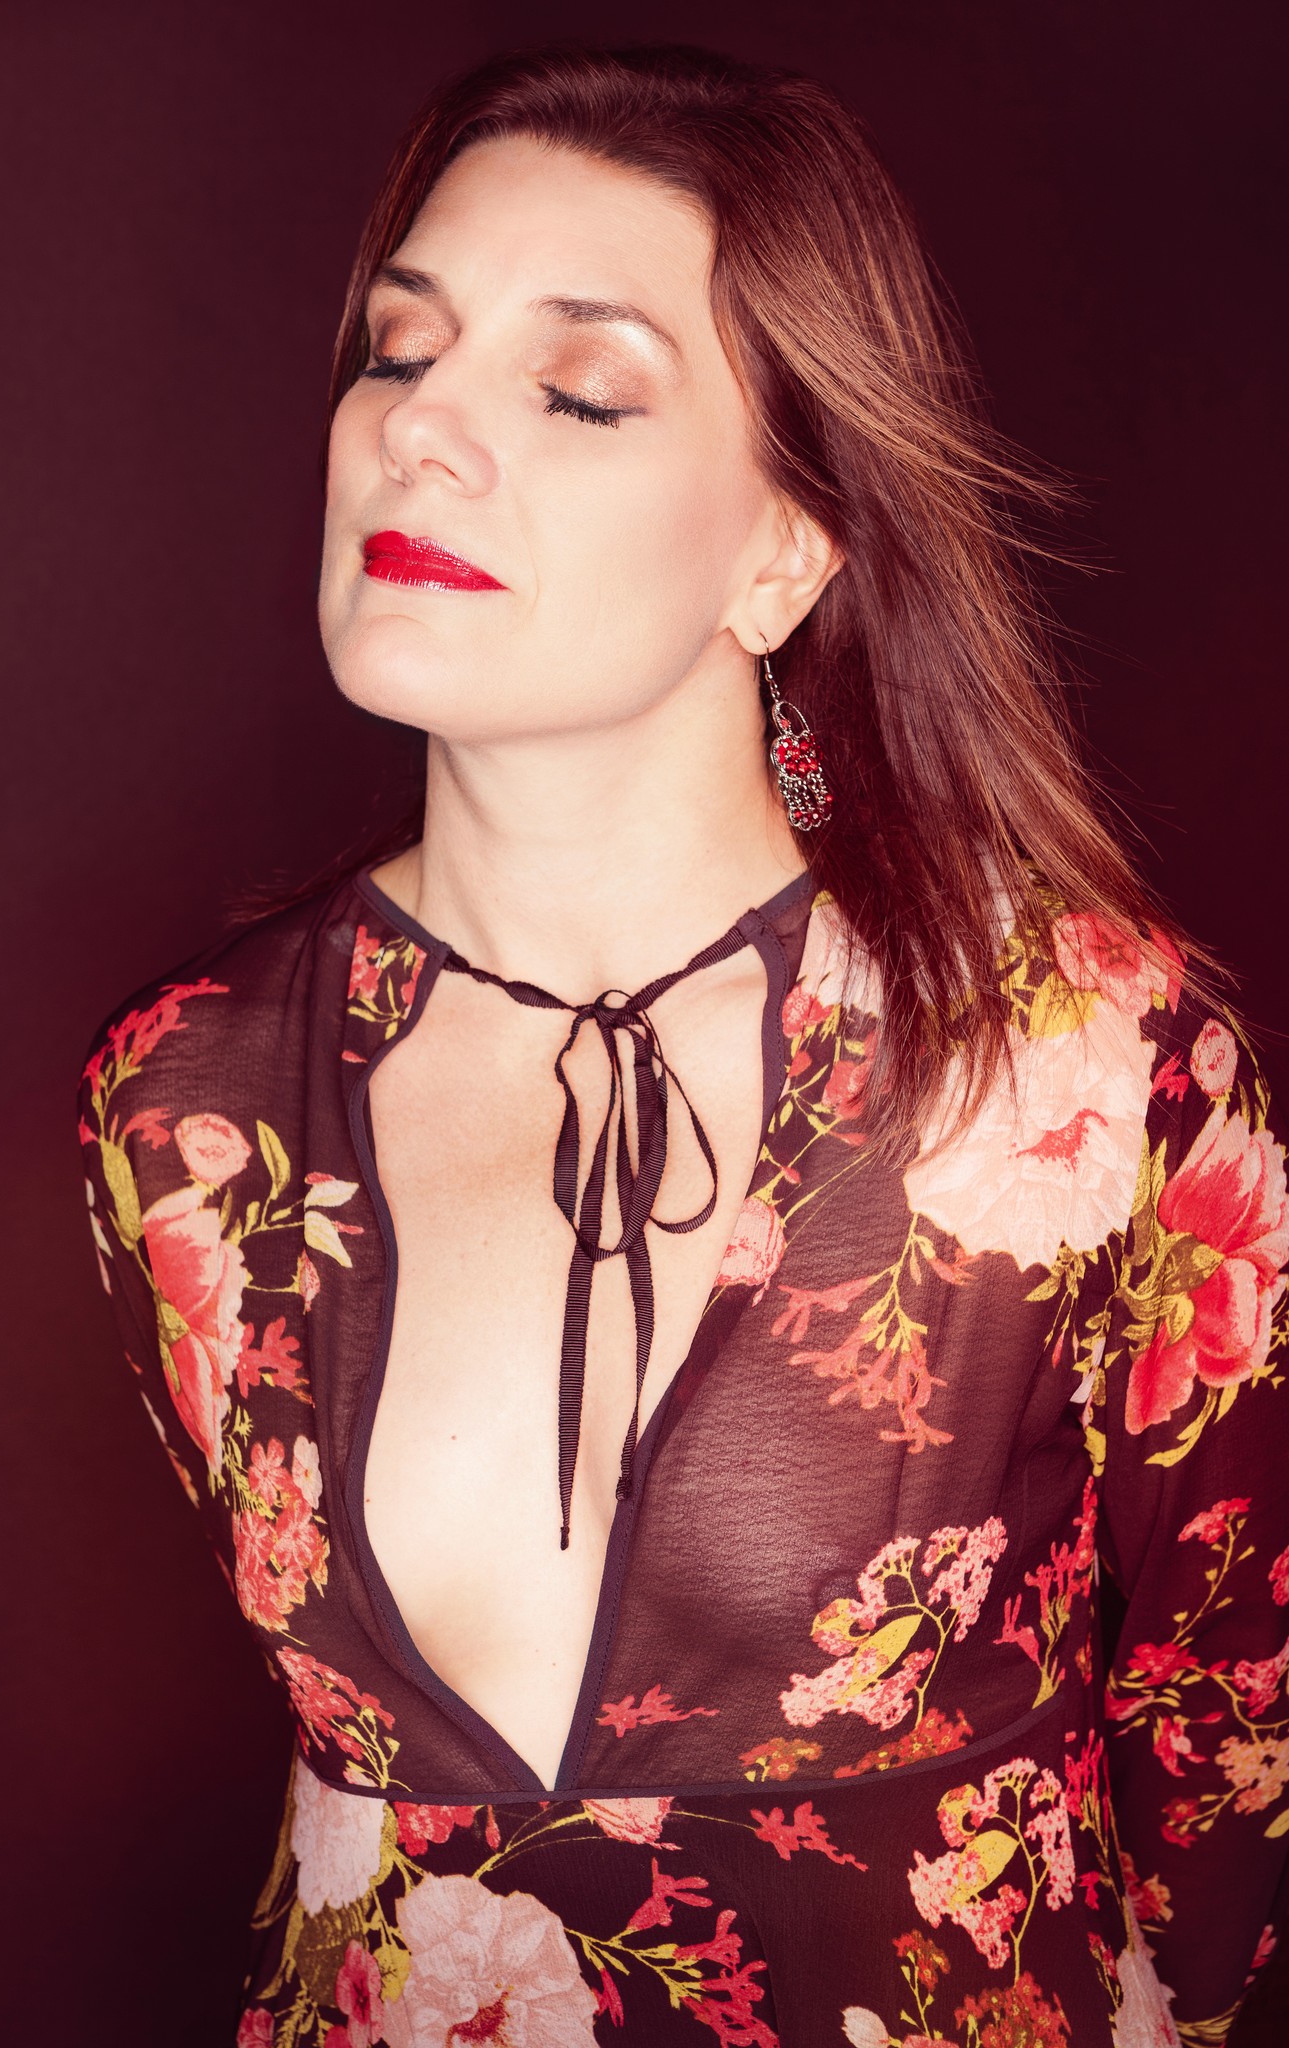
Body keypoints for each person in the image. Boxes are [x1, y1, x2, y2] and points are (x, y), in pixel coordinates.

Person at [77, 42, 1289, 2047]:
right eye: (398, 356)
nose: (423, 437)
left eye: (576, 387)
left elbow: (1238, 1752)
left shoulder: (1081, 1057)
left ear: (780, 554)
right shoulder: (181, 1100)